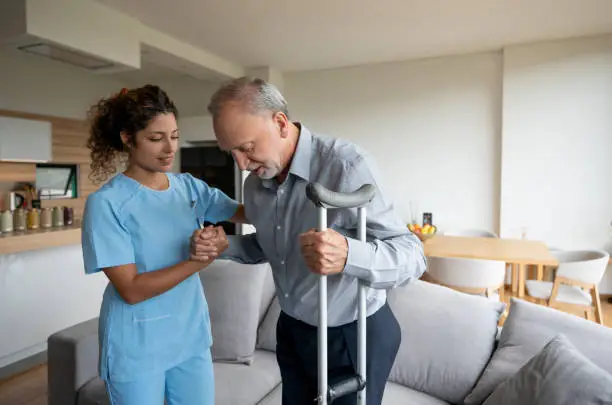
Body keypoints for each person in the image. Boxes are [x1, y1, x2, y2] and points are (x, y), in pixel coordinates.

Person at [190, 77, 427, 405]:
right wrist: (226, 247)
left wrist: (348, 254)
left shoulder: (347, 166)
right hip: (293, 331)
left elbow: (413, 254)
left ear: (281, 123)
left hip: (353, 332)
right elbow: (274, 247)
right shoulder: (258, 185)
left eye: (246, 147)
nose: (241, 165)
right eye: (231, 153)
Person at [81, 85, 247, 405]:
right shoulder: (108, 204)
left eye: (174, 135)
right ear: (127, 138)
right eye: (156, 138)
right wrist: (197, 261)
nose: (170, 147)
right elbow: (130, 289)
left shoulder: (188, 188)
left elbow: (243, 211)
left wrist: (270, 169)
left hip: (190, 337)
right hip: (136, 345)